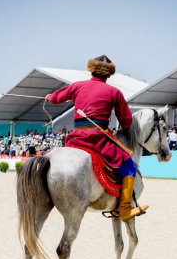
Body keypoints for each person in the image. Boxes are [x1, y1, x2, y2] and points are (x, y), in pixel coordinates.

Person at [45, 55, 148, 221]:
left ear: (91, 70)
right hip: (98, 140)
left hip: (75, 139)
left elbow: (56, 98)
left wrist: (49, 97)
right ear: (109, 74)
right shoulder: (114, 92)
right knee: (129, 166)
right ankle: (125, 209)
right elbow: (127, 122)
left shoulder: (77, 86)